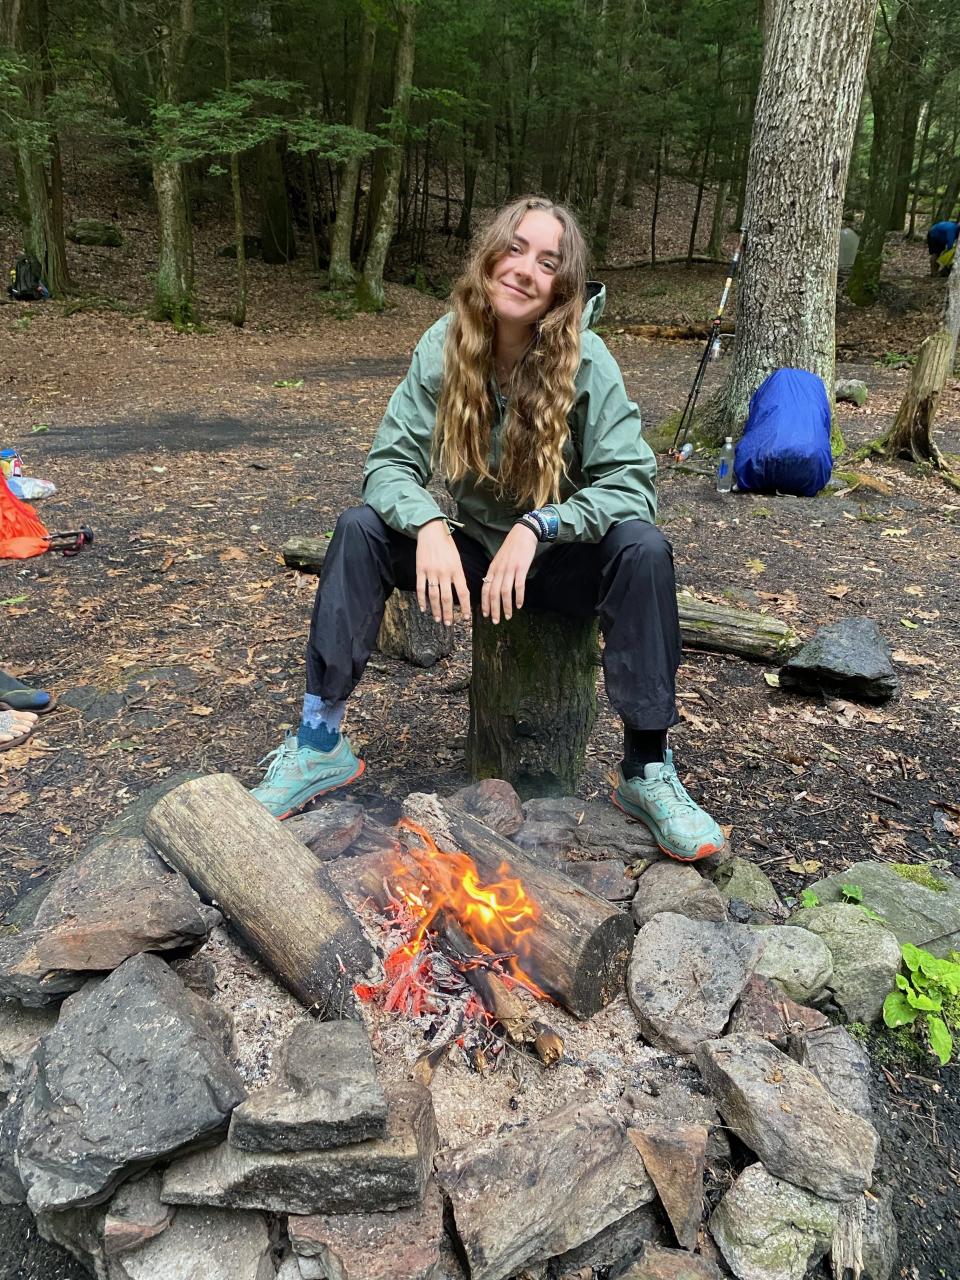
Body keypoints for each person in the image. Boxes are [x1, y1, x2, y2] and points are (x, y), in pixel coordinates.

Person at [252, 196, 724, 862]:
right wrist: (431, 527)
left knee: (643, 547)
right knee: (360, 529)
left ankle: (647, 768)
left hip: (562, 563)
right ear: (490, 254)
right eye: (516, 248)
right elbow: (389, 465)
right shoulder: (444, 347)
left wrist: (545, 521)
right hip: (474, 555)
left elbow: (631, 486)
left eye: (548, 261)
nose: (526, 269)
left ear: (562, 286)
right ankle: (319, 741)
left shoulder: (588, 362)